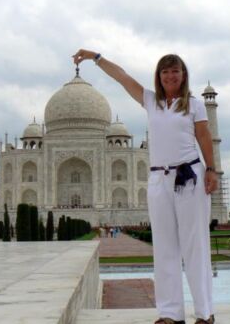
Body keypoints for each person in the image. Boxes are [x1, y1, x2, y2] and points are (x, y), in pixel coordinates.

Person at [73, 49, 218, 324]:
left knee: (194, 246)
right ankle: (170, 314)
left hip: (188, 176)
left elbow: (204, 135)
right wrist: (96, 57)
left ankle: (205, 313)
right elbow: (122, 77)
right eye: (165, 71)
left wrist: (211, 169)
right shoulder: (151, 101)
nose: (170, 75)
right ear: (159, 76)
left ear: (183, 74)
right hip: (158, 180)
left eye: (175, 70)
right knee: (164, 248)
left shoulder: (194, 105)